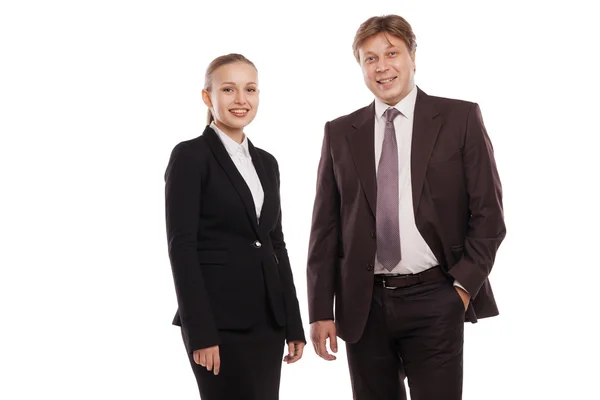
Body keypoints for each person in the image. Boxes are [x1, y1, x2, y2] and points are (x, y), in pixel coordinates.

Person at [306, 15, 506, 400]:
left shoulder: (459, 118)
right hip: (363, 306)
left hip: (436, 296)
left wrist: (460, 289)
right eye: (370, 58)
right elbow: (325, 229)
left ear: (413, 56)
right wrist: (320, 309)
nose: (382, 67)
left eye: (392, 53)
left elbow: (489, 216)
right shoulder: (340, 132)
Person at [164, 53, 305, 400]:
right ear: (208, 97)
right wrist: (201, 333)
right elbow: (181, 248)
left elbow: (276, 244)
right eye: (229, 89)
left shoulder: (267, 163)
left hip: (267, 323)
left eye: (250, 89)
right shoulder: (190, 156)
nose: (241, 100)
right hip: (218, 324)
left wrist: (293, 322)